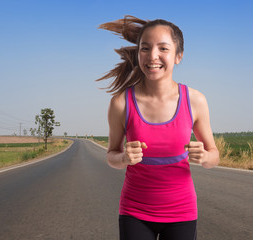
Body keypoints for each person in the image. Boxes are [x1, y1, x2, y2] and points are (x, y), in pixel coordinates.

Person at [97, 15, 219, 240]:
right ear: (138, 54)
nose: (153, 56)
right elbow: (111, 155)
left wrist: (204, 157)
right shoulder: (121, 103)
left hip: (182, 212)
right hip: (135, 211)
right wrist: (123, 158)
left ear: (178, 56)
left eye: (163, 48)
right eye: (145, 48)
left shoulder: (195, 100)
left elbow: (214, 156)